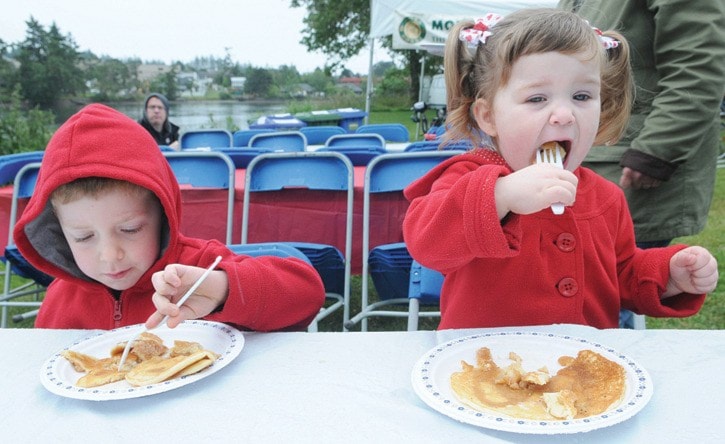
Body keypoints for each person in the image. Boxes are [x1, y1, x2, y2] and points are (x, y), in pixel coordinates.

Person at [402, 9, 718, 330]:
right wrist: (501, 196)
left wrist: (667, 275)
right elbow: (427, 244)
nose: (564, 114)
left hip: (582, 370)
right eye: (537, 98)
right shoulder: (468, 177)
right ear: (488, 116)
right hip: (484, 368)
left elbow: (620, 273)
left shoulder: (607, 198)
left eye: (582, 95)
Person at [13, 103, 325, 330]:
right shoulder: (58, 303)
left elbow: (307, 295)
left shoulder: (200, 265)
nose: (110, 255)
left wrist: (222, 289)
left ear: (163, 214)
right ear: (60, 233)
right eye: (83, 237)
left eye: (131, 229)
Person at [557, 0, 725, 328]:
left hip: (625, 165)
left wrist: (657, 150)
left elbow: (697, 64)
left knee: (597, 304)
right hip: (592, 158)